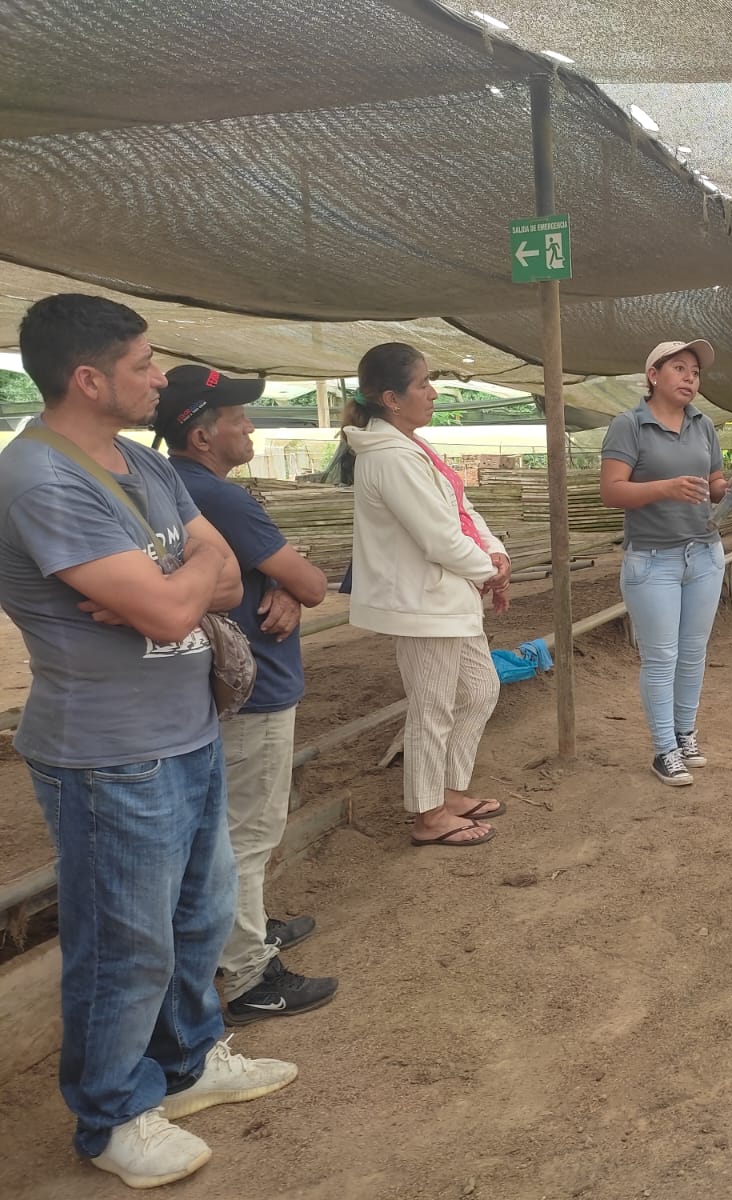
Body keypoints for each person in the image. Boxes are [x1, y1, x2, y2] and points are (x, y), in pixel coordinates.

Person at [0, 295, 296, 1188]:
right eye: (143, 365)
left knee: (197, 917)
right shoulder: (41, 479)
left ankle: (188, 1062)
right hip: (109, 752)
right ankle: (112, 1113)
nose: (159, 379)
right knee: (123, 944)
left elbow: (220, 577)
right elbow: (178, 605)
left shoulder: (142, 462)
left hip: (187, 728)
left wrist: (177, 580)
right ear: (89, 380)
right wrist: (183, 583)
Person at [155, 366, 339, 1025]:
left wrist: (278, 580)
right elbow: (313, 583)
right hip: (254, 690)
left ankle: (247, 929)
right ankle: (249, 974)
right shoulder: (219, 496)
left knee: (228, 829)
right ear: (203, 435)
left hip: (215, 687)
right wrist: (291, 582)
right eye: (238, 418)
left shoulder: (171, 484)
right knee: (247, 833)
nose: (250, 427)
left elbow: (280, 575)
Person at [343, 342, 510, 847]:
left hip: (448, 599)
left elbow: (461, 508)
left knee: (479, 690)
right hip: (423, 603)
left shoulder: (412, 448)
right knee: (432, 707)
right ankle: (428, 813)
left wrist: (494, 552)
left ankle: (450, 791)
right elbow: (438, 538)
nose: (433, 393)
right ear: (392, 399)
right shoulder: (391, 458)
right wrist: (488, 571)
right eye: (423, 384)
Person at [599, 339, 732, 786]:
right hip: (653, 560)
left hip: (704, 554)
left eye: (695, 371)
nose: (690, 377)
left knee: (693, 652)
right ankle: (664, 750)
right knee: (661, 657)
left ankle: (684, 733)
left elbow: (713, 481)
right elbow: (612, 491)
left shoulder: (703, 424)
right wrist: (666, 488)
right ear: (653, 376)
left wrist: (727, 489)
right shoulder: (628, 425)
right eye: (679, 368)